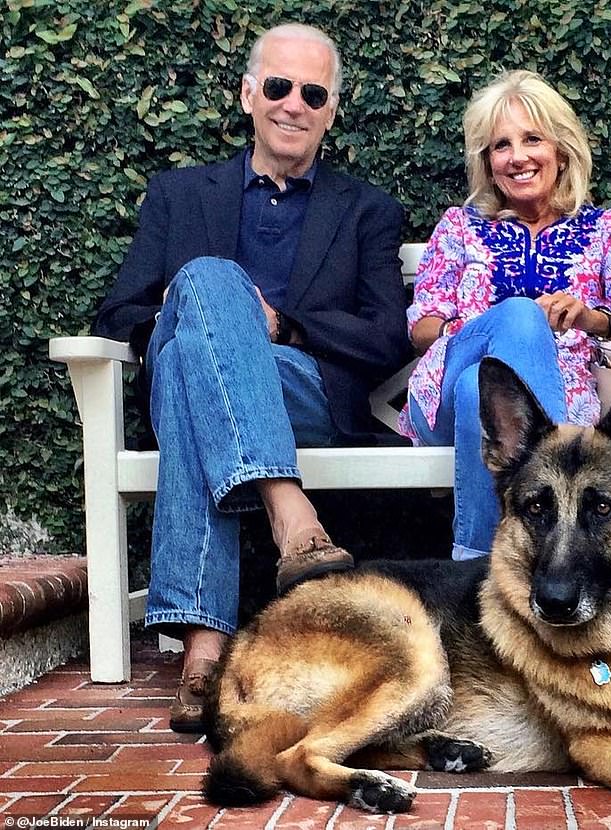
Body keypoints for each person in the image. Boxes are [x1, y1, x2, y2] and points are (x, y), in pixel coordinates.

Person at [92, 23, 408, 731]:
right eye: (277, 86)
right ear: (247, 95)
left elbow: (387, 334)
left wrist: (284, 328)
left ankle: (204, 648)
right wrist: (197, 317)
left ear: (330, 111)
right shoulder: (179, 195)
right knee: (197, 311)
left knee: (187, 364)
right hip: (198, 382)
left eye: (313, 93)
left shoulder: (366, 211)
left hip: (305, 390)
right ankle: (289, 512)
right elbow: (120, 314)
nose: (293, 103)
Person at [401, 70, 611, 561]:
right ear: (488, 162)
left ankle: (476, 570)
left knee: (473, 396)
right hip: (442, 381)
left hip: (553, 403)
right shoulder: (460, 226)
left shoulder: (605, 229)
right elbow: (421, 329)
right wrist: (496, 324)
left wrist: (591, 318)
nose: (517, 156)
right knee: (513, 325)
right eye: (501, 145)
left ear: (561, 150)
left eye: (531, 139)